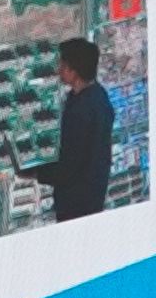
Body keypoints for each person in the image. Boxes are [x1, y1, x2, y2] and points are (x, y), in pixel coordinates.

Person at [34, 36, 118, 221]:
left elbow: (70, 166)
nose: (58, 70)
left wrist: (36, 173)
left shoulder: (81, 111)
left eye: (63, 66)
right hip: (92, 195)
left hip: (77, 202)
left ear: (74, 71)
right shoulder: (97, 96)